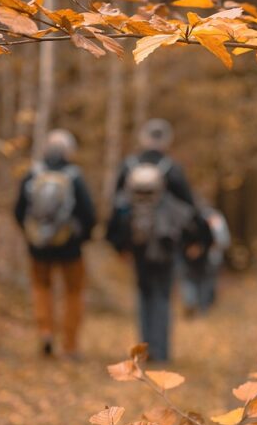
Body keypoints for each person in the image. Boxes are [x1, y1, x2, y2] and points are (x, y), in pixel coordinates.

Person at [107, 119, 206, 362]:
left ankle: (144, 350)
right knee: (162, 294)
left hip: (137, 243)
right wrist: (196, 240)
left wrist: (118, 244)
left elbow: (116, 208)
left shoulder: (129, 167)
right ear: (166, 140)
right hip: (166, 243)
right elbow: (190, 208)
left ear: (143, 138)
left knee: (143, 293)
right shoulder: (172, 169)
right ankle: (161, 352)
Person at [14, 129, 96, 359]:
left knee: (41, 288)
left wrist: (32, 234)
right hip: (70, 247)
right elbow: (89, 214)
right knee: (73, 292)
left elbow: (19, 211)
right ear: (69, 151)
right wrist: (81, 237)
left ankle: (45, 332)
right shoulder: (74, 176)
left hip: (38, 247)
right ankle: (70, 345)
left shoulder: (33, 174)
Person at [180, 204, 230, 314]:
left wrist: (200, 248)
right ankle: (199, 305)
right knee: (200, 280)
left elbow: (222, 240)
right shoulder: (212, 217)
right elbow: (224, 240)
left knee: (202, 280)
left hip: (209, 257)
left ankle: (200, 304)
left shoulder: (212, 218)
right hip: (203, 257)